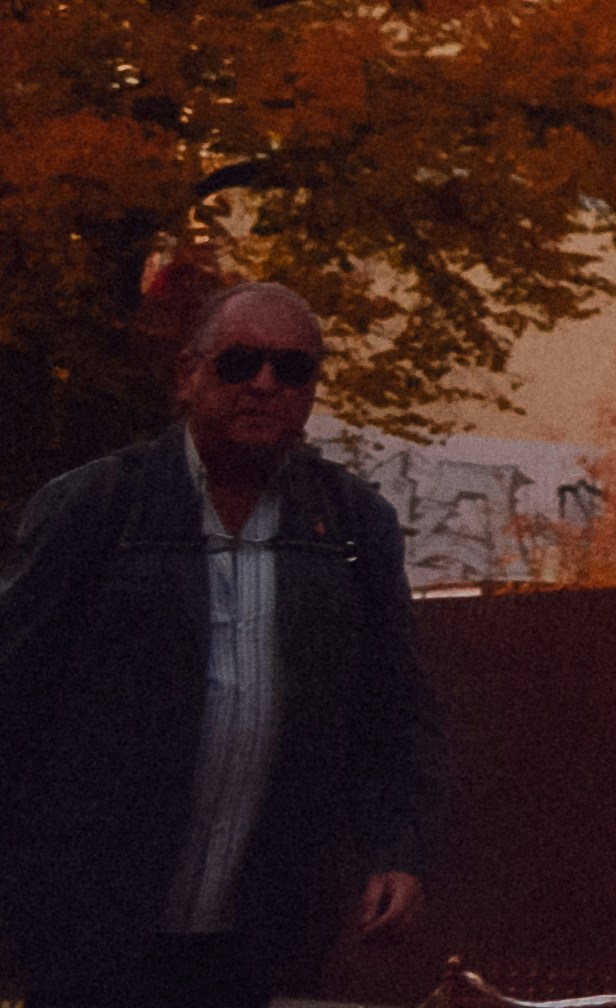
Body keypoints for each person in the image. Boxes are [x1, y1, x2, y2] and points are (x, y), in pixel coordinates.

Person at [0, 279, 442, 1008]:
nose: (264, 385)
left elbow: (392, 706)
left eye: (292, 369)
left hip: (255, 938)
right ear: (189, 374)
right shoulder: (100, 509)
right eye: (239, 363)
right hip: (90, 932)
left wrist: (398, 847)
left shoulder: (353, 528)